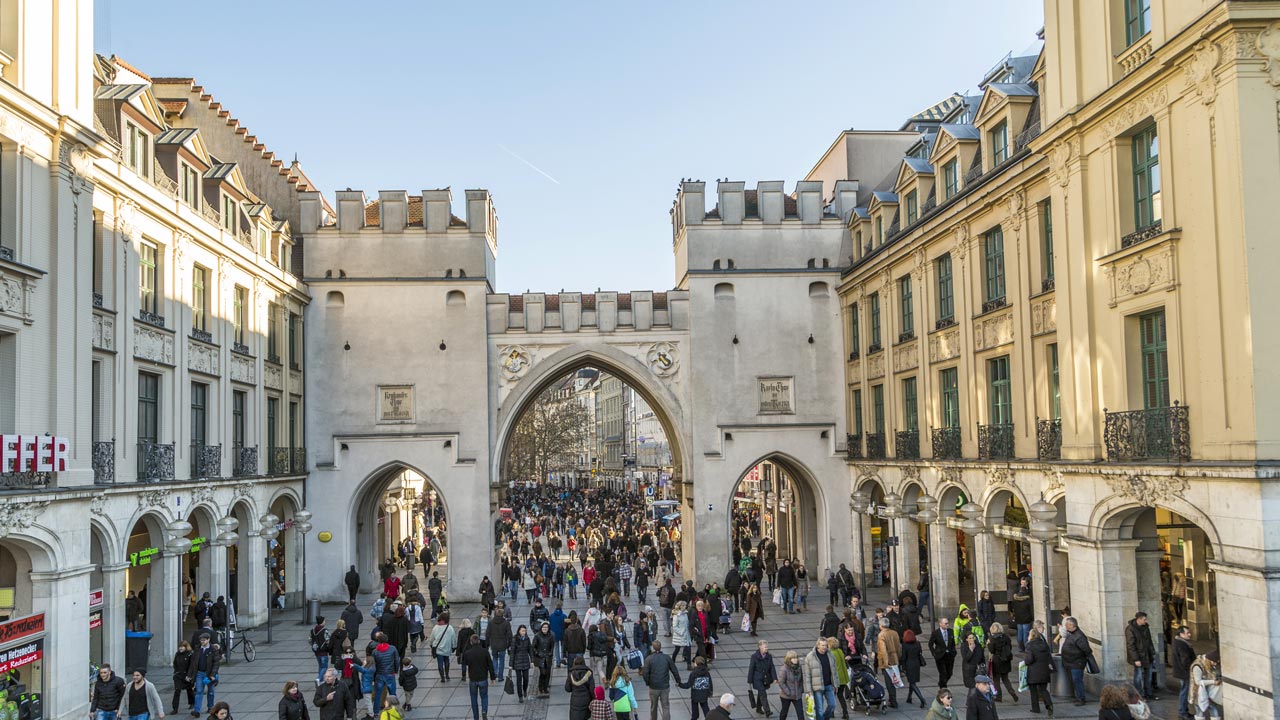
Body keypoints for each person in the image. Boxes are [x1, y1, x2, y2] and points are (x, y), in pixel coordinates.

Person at [641, 640, 682, 720]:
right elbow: (674, 670)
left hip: (653, 687)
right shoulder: (666, 657)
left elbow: (645, 673)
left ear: (653, 648)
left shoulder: (648, 659)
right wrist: (678, 680)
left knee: (653, 707)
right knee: (665, 706)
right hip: (664, 686)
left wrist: (648, 682)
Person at [1059, 617, 1094, 706]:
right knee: (1075, 680)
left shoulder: (1079, 636)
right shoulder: (1072, 634)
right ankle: (1078, 696)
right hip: (1072, 662)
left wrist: (1076, 655)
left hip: (1077, 663)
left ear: (1072, 625)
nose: (1065, 626)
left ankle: (1081, 698)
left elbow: (1087, 650)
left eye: (1066, 625)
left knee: (1077, 680)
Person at [460, 635, 496, 720]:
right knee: (484, 696)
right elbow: (490, 665)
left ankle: (476, 717)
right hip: (483, 678)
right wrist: (492, 677)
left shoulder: (468, 653)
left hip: (473, 679)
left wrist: (464, 674)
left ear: (471, 642)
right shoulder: (485, 652)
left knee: (473, 698)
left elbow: (464, 663)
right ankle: (484, 710)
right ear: (479, 641)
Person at [1124, 612, 1157, 701]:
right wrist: (1136, 659)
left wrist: (1152, 653)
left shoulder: (1146, 627)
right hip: (1139, 657)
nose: (1145, 621)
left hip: (1147, 655)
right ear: (1139, 619)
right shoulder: (1130, 629)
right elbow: (1131, 645)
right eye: (1144, 619)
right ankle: (1139, 694)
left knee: (1148, 675)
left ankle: (1148, 693)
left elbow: (1149, 641)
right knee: (1138, 676)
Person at [187, 633, 222, 716]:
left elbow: (216, 663)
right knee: (199, 691)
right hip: (199, 673)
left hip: (209, 674)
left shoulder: (213, 649)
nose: (202, 642)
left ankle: (210, 707)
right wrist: (189, 675)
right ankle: (197, 711)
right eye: (201, 640)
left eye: (204, 640)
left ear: (208, 639)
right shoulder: (197, 648)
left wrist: (213, 675)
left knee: (211, 692)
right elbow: (193, 663)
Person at [803, 638, 838, 720]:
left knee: (832, 705)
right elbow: (807, 675)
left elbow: (834, 671)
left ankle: (825, 718)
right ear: (818, 645)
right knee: (819, 709)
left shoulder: (830, 654)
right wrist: (809, 690)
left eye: (826, 645)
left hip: (829, 685)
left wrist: (836, 684)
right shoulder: (810, 657)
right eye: (822, 645)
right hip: (817, 687)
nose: (824, 647)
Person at [1022, 628, 1054, 716]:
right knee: (1043, 689)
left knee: (1033, 691)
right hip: (1044, 670)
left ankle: (1035, 708)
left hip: (1033, 671)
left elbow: (1029, 659)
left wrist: (1025, 661)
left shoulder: (1029, 645)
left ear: (1031, 636)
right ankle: (1049, 704)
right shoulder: (1044, 644)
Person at [987, 622, 1018, 702]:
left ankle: (998, 696)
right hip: (1006, 660)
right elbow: (1010, 647)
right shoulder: (1006, 637)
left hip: (997, 661)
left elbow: (992, 650)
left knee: (996, 680)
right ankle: (1011, 691)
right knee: (1005, 678)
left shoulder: (992, 639)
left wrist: (988, 644)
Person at [370, 630, 401, 711]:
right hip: (390, 673)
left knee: (378, 694)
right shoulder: (392, 649)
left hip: (380, 674)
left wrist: (374, 676)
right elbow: (397, 661)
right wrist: (395, 670)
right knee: (393, 693)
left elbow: (374, 665)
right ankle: (395, 709)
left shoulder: (375, 651)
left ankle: (376, 712)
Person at [875, 617, 901, 708]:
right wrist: (898, 658)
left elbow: (883, 650)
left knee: (889, 682)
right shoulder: (895, 633)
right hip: (895, 659)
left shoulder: (881, 635)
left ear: (881, 625)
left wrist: (885, 663)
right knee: (894, 680)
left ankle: (893, 701)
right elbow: (898, 647)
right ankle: (893, 699)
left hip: (887, 661)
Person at [1171, 625, 1195, 720]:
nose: (1189, 634)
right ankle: (1182, 712)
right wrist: (1192, 668)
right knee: (1184, 692)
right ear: (1181, 634)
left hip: (1182, 671)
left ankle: (1184, 711)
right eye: (1187, 633)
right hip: (1184, 672)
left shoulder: (1179, 642)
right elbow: (1185, 660)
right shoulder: (1182, 644)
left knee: (1184, 691)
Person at [1189, 650, 1222, 720]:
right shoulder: (1197, 666)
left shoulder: (1209, 664)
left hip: (1209, 692)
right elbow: (1198, 682)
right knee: (1200, 713)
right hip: (1198, 694)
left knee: (1214, 711)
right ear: (1209, 660)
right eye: (1214, 662)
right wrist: (1213, 682)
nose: (1215, 664)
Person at [747, 640, 777, 717]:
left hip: (765, 678)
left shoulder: (769, 656)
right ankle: (767, 711)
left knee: (761, 693)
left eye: (767, 647)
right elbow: (751, 668)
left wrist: (774, 678)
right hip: (757, 679)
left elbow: (772, 667)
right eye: (765, 647)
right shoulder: (754, 656)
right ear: (760, 647)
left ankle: (758, 708)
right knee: (763, 693)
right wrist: (749, 681)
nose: (767, 648)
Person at [901, 629, 927, 709]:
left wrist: (903, 668)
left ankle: (921, 698)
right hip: (916, 664)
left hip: (909, 665)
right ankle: (909, 697)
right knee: (912, 682)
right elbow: (920, 652)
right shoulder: (918, 644)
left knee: (912, 683)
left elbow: (904, 657)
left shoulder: (905, 645)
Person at [930, 617, 958, 689]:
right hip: (940, 655)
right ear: (940, 624)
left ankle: (941, 683)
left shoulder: (951, 631)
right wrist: (934, 653)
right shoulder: (936, 633)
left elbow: (953, 643)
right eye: (945, 623)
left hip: (949, 655)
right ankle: (943, 688)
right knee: (943, 673)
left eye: (948, 623)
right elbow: (930, 644)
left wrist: (953, 651)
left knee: (949, 673)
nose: (947, 625)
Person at [428, 613, 457, 682]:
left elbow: (432, 638)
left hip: (438, 650)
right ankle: (447, 675)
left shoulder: (435, 627)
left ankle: (442, 677)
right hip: (447, 649)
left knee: (440, 663)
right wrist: (454, 647)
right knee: (447, 661)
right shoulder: (450, 628)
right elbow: (453, 639)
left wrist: (431, 644)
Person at [776, 651, 804, 720]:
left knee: (800, 713)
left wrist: (801, 690)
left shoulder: (799, 667)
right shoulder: (784, 669)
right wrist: (788, 692)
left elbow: (801, 680)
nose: (795, 659)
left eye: (796, 658)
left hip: (797, 695)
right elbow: (781, 682)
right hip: (786, 695)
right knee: (784, 712)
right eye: (793, 658)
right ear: (789, 659)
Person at [1009, 578, 1034, 651]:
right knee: (1026, 634)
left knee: (1020, 633)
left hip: (1019, 617)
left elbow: (1012, 607)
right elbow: (1030, 609)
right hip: (1026, 618)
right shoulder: (1028, 599)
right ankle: (1026, 648)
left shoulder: (1015, 599)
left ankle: (1020, 647)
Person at [510, 624, 533, 702]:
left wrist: (532, 660)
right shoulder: (515, 639)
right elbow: (512, 652)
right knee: (519, 680)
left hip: (525, 661)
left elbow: (530, 650)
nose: (524, 632)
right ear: (519, 631)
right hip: (517, 662)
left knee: (526, 678)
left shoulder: (527, 639)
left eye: (525, 631)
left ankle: (525, 689)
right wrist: (510, 664)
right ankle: (520, 696)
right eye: (522, 631)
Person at [171, 641, 194, 715]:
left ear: (186, 647)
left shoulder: (190, 654)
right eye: (179, 647)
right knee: (177, 690)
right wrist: (176, 672)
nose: (180, 648)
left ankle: (192, 702)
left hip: (187, 675)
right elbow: (175, 663)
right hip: (178, 675)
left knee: (189, 689)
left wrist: (189, 675)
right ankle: (175, 708)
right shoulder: (177, 654)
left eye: (182, 647)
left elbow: (191, 666)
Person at [310, 616, 332, 686]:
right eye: (324, 621)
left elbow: (310, 640)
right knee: (324, 667)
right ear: (322, 621)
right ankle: (319, 678)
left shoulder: (313, 630)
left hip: (317, 652)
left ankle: (321, 680)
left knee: (320, 666)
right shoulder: (324, 630)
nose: (325, 622)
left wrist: (314, 645)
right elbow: (328, 640)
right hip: (323, 651)